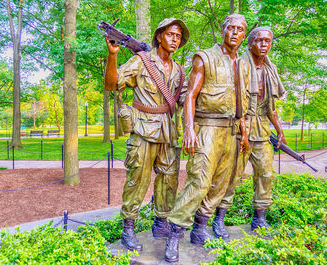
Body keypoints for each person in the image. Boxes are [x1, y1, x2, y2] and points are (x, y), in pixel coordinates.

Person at [164, 14, 249, 263]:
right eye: (230, 28)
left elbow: (241, 101)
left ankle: (200, 227)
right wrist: (189, 129)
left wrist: (243, 130)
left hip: (232, 130)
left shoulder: (242, 63)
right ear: (222, 30)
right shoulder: (205, 57)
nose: (235, 33)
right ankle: (175, 234)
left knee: (221, 183)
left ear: (244, 35)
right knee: (200, 181)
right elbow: (190, 95)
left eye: (240, 30)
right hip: (208, 127)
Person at [104, 18, 189, 251]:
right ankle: (128, 228)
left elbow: (185, 100)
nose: (175, 39)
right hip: (142, 129)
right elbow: (112, 84)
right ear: (159, 36)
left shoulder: (180, 70)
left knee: (169, 180)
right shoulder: (141, 62)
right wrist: (112, 55)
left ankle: (161, 222)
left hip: (168, 132)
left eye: (179, 36)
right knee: (137, 180)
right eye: (171, 34)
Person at [221, 26, 287, 232]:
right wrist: (243, 127)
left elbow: (270, 107)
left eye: (268, 41)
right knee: (231, 176)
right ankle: (218, 219)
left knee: (266, 175)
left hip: (262, 132)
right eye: (260, 41)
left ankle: (259, 218)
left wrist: (280, 130)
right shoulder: (238, 65)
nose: (264, 45)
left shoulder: (269, 70)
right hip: (239, 129)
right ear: (249, 44)